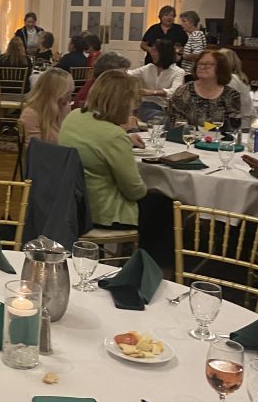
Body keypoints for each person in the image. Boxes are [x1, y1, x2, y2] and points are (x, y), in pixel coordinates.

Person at [58, 70, 173, 263]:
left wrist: (124, 140)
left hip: (72, 205)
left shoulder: (74, 117)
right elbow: (134, 191)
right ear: (123, 101)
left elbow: (93, 141)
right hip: (102, 213)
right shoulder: (113, 135)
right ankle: (152, 268)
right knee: (162, 203)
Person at [168, 50, 241, 128]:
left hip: (218, 139)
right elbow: (174, 121)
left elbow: (233, 126)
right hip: (187, 137)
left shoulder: (231, 95)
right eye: (200, 64)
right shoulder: (184, 91)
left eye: (208, 64)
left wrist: (205, 130)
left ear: (220, 68)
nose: (202, 67)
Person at [127, 40, 184, 122]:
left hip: (168, 108)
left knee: (168, 118)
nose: (152, 54)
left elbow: (175, 92)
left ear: (164, 53)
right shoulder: (149, 68)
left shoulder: (178, 71)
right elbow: (130, 73)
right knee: (155, 115)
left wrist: (152, 92)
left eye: (155, 51)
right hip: (148, 105)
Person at [20, 67, 73, 146]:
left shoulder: (65, 107)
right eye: (66, 94)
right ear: (52, 94)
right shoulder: (31, 114)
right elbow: (34, 150)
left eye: (70, 93)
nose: (69, 99)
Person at [219, 48, 253, 126]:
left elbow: (227, 107)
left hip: (238, 124)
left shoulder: (230, 80)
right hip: (244, 119)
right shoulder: (238, 77)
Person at [179, 10, 207, 75]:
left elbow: (198, 55)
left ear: (191, 22)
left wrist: (181, 57)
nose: (181, 24)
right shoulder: (199, 33)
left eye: (184, 21)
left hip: (190, 73)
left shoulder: (195, 35)